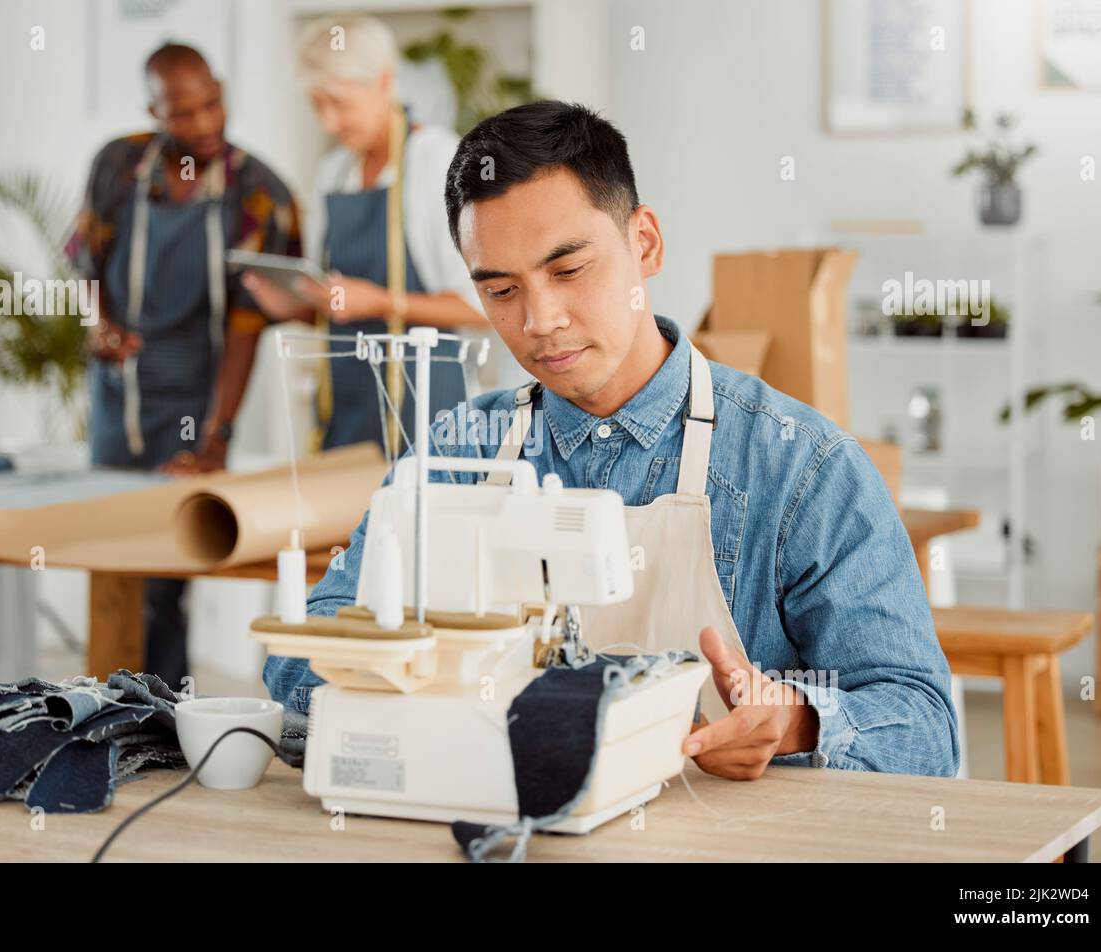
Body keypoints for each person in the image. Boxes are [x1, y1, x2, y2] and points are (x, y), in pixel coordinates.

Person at [263, 101, 960, 780]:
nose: (541, 320)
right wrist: (417, 673)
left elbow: (925, 728)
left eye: (568, 271)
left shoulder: (802, 466)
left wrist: (797, 723)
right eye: (501, 291)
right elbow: (309, 648)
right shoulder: (462, 451)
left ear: (645, 244)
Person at [66, 43, 302, 688]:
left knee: (169, 565)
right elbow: (86, 263)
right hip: (120, 391)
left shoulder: (259, 195)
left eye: (211, 105)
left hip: (199, 394)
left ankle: (159, 711)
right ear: (154, 110)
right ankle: (104, 706)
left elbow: (248, 328)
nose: (202, 125)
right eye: (182, 113)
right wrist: (102, 326)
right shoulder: (118, 165)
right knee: (113, 553)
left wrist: (218, 432)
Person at [241, 15, 486, 454]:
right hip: (348, 411)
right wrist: (295, 306)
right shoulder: (335, 170)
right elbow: (339, 303)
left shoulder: (437, 160)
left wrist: (380, 302)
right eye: (317, 107)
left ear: (384, 82)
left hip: (427, 411)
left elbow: (483, 306)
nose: (329, 123)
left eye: (338, 103)